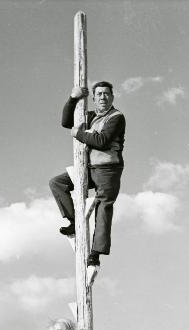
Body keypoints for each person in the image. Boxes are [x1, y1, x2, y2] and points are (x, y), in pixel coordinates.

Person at [49, 81, 126, 267]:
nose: (102, 97)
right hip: (89, 169)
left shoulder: (116, 117)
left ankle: (95, 253)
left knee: (103, 207)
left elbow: (102, 141)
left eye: (106, 94)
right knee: (57, 182)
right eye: (99, 94)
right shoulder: (90, 116)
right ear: (93, 98)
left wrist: (79, 133)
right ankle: (74, 221)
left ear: (112, 97)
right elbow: (66, 122)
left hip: (108, 170)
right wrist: (73, 98)